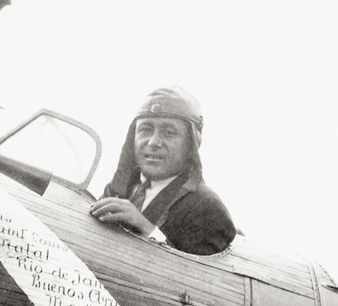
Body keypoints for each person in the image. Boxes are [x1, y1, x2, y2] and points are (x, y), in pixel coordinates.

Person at [89, 86, 236, 255]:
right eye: (145, 130)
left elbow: (201, 277)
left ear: (191, 145)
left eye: (169, 132)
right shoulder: (118, 189)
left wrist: (146, 229)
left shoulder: (208, 209)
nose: (153, 142)